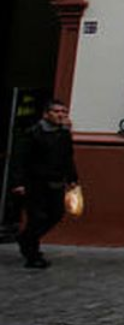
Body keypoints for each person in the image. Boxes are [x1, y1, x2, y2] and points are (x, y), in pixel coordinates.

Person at [10, 98, 78, 269]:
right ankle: (32, 256)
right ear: (46, 114)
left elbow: (68, 158)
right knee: (37, 217)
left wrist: (72, 179)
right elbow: (19, 159)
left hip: (56, 182)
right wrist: (18, 182)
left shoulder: (64, 134)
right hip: (35, 183)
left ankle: (26, 238)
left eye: (64, 112)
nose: (61, 115)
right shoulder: (33, 133)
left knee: (56, 214)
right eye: (56, 111)